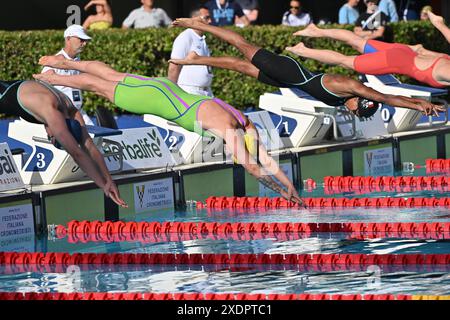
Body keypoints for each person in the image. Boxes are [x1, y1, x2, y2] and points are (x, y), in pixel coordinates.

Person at [33, 57, 303, 204]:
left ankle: (65, 63)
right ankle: (54, 78)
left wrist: (290, 185)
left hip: (164, 87)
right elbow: (256, 166)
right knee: (100, 86)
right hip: (157, 100)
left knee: (111, 74)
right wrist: (280, 191)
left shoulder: (241, 118)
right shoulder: (232, 132)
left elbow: (265, 158)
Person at [169, 17, 444, 119]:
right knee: (242, 45)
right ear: (358, 102)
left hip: (287, 80)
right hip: (287, 71)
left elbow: (385, 100)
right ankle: (200, 25)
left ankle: (196, 60)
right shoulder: (351, 88)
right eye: (357, 112)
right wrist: (419, 104)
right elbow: (386, 98)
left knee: (239, 66)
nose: (351, 113)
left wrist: (417, 103)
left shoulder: (346, 99)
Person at [0, 79, 127, 208]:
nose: (48, 136)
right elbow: (78, 154)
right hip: (9, 94)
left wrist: (108, 181)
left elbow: (90, 147)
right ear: (58, 132)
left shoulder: (71, 109)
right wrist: (103, 185)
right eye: (51, 138)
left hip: (20, 86)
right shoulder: (52, 113)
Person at [288, 23, 450, 88]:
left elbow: (420, 50)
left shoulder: (445, 59)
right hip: (395, 60)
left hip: (405, 51)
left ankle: (317, 31)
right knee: (345, 61)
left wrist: (439, 24)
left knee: (357, 41)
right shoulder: (445, 72)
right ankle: (303, 50)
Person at [42, 25, 94, 126]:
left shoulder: (78, 59)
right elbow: (42, 88)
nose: (84, 43)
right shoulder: (53, 62)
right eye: (81, 39)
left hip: (79, 112)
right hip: (62, 116)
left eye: (85, 40)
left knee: (101, 139)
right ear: (68, 39)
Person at [168, 8, 214, 97]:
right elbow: (173, 66)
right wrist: (172, 93)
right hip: (190, 92)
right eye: (206, 18)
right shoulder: (185, 37)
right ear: (194, 18)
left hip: (206, 92)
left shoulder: (202, 38)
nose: (210, 21)